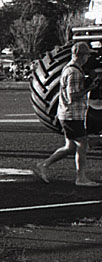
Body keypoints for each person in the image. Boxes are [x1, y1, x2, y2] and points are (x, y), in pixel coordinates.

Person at [33, 42, 98, 187]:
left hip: (67, 114)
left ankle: (44, 164)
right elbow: (72, 96)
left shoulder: (70, 69)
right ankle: (81, 178)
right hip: (72, 115)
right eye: (87, 55)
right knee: (82, 144)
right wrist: (89, 88)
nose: (88, 58)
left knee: (70, 147)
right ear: (82, 56)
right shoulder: (74, 72)